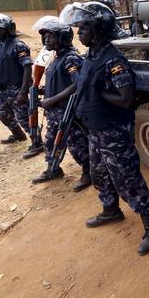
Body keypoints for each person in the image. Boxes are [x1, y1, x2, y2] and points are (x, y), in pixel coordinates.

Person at [60, 1, 149, 255]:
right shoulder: (90, 56)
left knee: (127, 178)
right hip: (96, 129)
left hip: (113, 130)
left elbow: (127, 99)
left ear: (97, 30)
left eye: (83, 28)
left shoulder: (113, 60)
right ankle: (111, 209)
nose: (79, 33)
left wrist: (100, 93)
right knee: (99, 173)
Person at [30, 16, 92, 191]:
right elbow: (58, 81)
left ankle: (88, 172)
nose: (45, 40)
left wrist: (52, 100)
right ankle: (53, 169)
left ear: (63, 38)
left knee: (76, 145)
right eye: (44, 37)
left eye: (50, 36)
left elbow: (77, 84)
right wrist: (42, 90)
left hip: (68, 112)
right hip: (55, 112)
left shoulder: (71, 58)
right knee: (50, 142)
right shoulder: (56, 57)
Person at [0, 13, 40, 157]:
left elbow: (27, 68)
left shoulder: (18, 45)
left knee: (24, 117)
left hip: (16, 87)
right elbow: (2, 63)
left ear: (8, 29)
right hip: (2, 88)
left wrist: (23, 91)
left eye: (0, 29)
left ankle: (38, 143)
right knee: (3, 115)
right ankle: (18, 135)